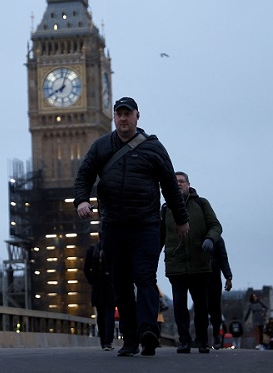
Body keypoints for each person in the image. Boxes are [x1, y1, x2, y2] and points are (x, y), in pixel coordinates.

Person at [75, 97, 190, 358]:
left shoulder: (153, 148)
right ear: (114, 118)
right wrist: (81, 200)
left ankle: (148, 332)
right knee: (121, 284)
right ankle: (129, 339)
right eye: (119, 114)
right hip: (114, 226)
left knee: (145, 278)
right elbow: (84, 175)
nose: (123, 119)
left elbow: (170, 187)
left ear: (138, 116)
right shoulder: (102, 146)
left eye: (128, 114)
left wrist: (181, 219)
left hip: (145, 226)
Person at [161, 171, 222, 354]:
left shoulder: (201, 204)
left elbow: (216, 225)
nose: (178, 184)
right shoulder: (166, 209)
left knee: (201, 306)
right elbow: (159, 236)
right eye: (175, 182)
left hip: (199, 263)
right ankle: (184, 341)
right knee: (179, 306)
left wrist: (210, 239)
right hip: (176, 264)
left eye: (181, 181)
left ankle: (202, 341)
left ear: (188, 184)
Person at [83, 240, 116, 351]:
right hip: (110, 286)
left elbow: (86, 269)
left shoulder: (92, 251)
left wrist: (92, 280)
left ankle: (103, 341)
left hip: (97, 287)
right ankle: (108, 341)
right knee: (109, 314)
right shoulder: (112, 249)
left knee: (100, 315)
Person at [208, 236, 233, 349]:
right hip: (202, 274)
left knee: (215, 308)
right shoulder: (216, 238)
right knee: (203, 307)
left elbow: (223, 258)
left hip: (212, 275)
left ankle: (216, 335)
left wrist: (228, 276)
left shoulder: (216, 238)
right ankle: (207, 336)